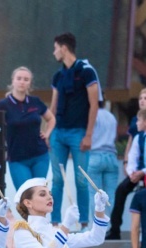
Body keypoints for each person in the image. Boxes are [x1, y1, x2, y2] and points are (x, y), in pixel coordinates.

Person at [49, 32, 101, 225]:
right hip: (58, 132)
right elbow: (53, 107)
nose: (54, 52)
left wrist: (89, 135)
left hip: (78, 132)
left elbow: (94, 104)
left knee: (81, 179)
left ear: (64, 48)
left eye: (55, 48)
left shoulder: (86, 71)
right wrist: (48, 132)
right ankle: (54, 221)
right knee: (57, 180)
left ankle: (84, 221)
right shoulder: (58, 76)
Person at [0, 67, 55, 188]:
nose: (22, 82)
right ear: (13, 81)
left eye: (26, 79)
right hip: (17, 158)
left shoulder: (35, 101)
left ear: (30, 83)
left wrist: (47, 134)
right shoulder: (1, 105)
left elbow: (51, 119)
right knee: (25, 193)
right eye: (19, 78)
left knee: (39, 192)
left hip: (40, 156)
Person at [109, 107, 146, 239]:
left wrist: (143, 172)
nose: (136, 123)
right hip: (137, 173)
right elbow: (133, 156)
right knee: (120, 190)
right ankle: (115, 229)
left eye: (139, 120)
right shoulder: (138, 137)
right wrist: (132, 173)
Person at [87, 102, 119, 224]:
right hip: (111, 156)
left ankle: (96, 227)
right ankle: (109, 227)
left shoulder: (91, 114)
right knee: (110, 196)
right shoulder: (111, 116)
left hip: (95, 155)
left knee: (94, 195)